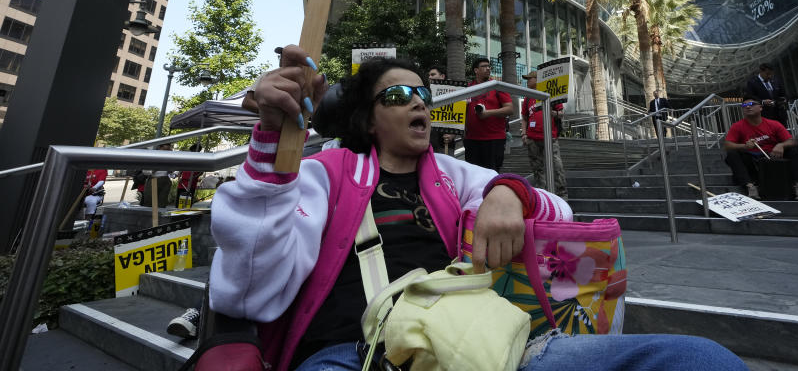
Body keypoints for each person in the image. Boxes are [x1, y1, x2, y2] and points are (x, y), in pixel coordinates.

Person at [208, 45, 747, 371]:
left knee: (702, 359)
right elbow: (250, 287)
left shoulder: (454, 176)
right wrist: (273, 151)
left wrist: (509, 194)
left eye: (421, 92)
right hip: (355, 354)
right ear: (368, 120)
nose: (419, 102)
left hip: (484, 346)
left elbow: (556, 208)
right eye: (397, 97)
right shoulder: (320, 176)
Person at [723, 99, 798, 201]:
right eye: (744, 105)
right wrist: (744, 146)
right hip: (752, 159)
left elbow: (792, 141)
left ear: (760, 108)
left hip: (773, 156)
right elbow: (727, 145)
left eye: (751, 104)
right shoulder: (737, 126)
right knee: (732, 154)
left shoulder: (773, 124)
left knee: (794, 150)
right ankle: (750, 186)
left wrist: (781, 145)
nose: (747, 107)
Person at [521, 70, 567, 199]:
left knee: (556, 167)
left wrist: (553, 113)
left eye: (530, 78)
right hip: (532, 139)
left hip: (549, 137)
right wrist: (524, 134)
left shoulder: (551, 94)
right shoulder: (528, 97)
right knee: (537, 169)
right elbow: (524, 117)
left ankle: (562, 196)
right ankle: (543, 196)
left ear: (537, 79)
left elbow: (561, 113)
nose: (527, 81)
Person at [463, 57, 514, 172]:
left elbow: (510, 109)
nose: (488, 68)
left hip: (494, 140)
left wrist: (488, 113)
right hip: (472, 140)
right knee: (473, 175)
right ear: (476, 70)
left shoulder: (497, 86)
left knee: (492, 174)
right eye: (484, 66)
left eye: (489, 66)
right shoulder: (467, 88)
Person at [426, 65, 458, 155]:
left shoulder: (454, 92)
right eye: (429, 75)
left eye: (433, 74)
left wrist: (453, 134)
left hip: (445, 142)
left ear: (442, 76)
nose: (430, 77)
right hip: (429, 141)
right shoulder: (426, 92)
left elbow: (459, 114)